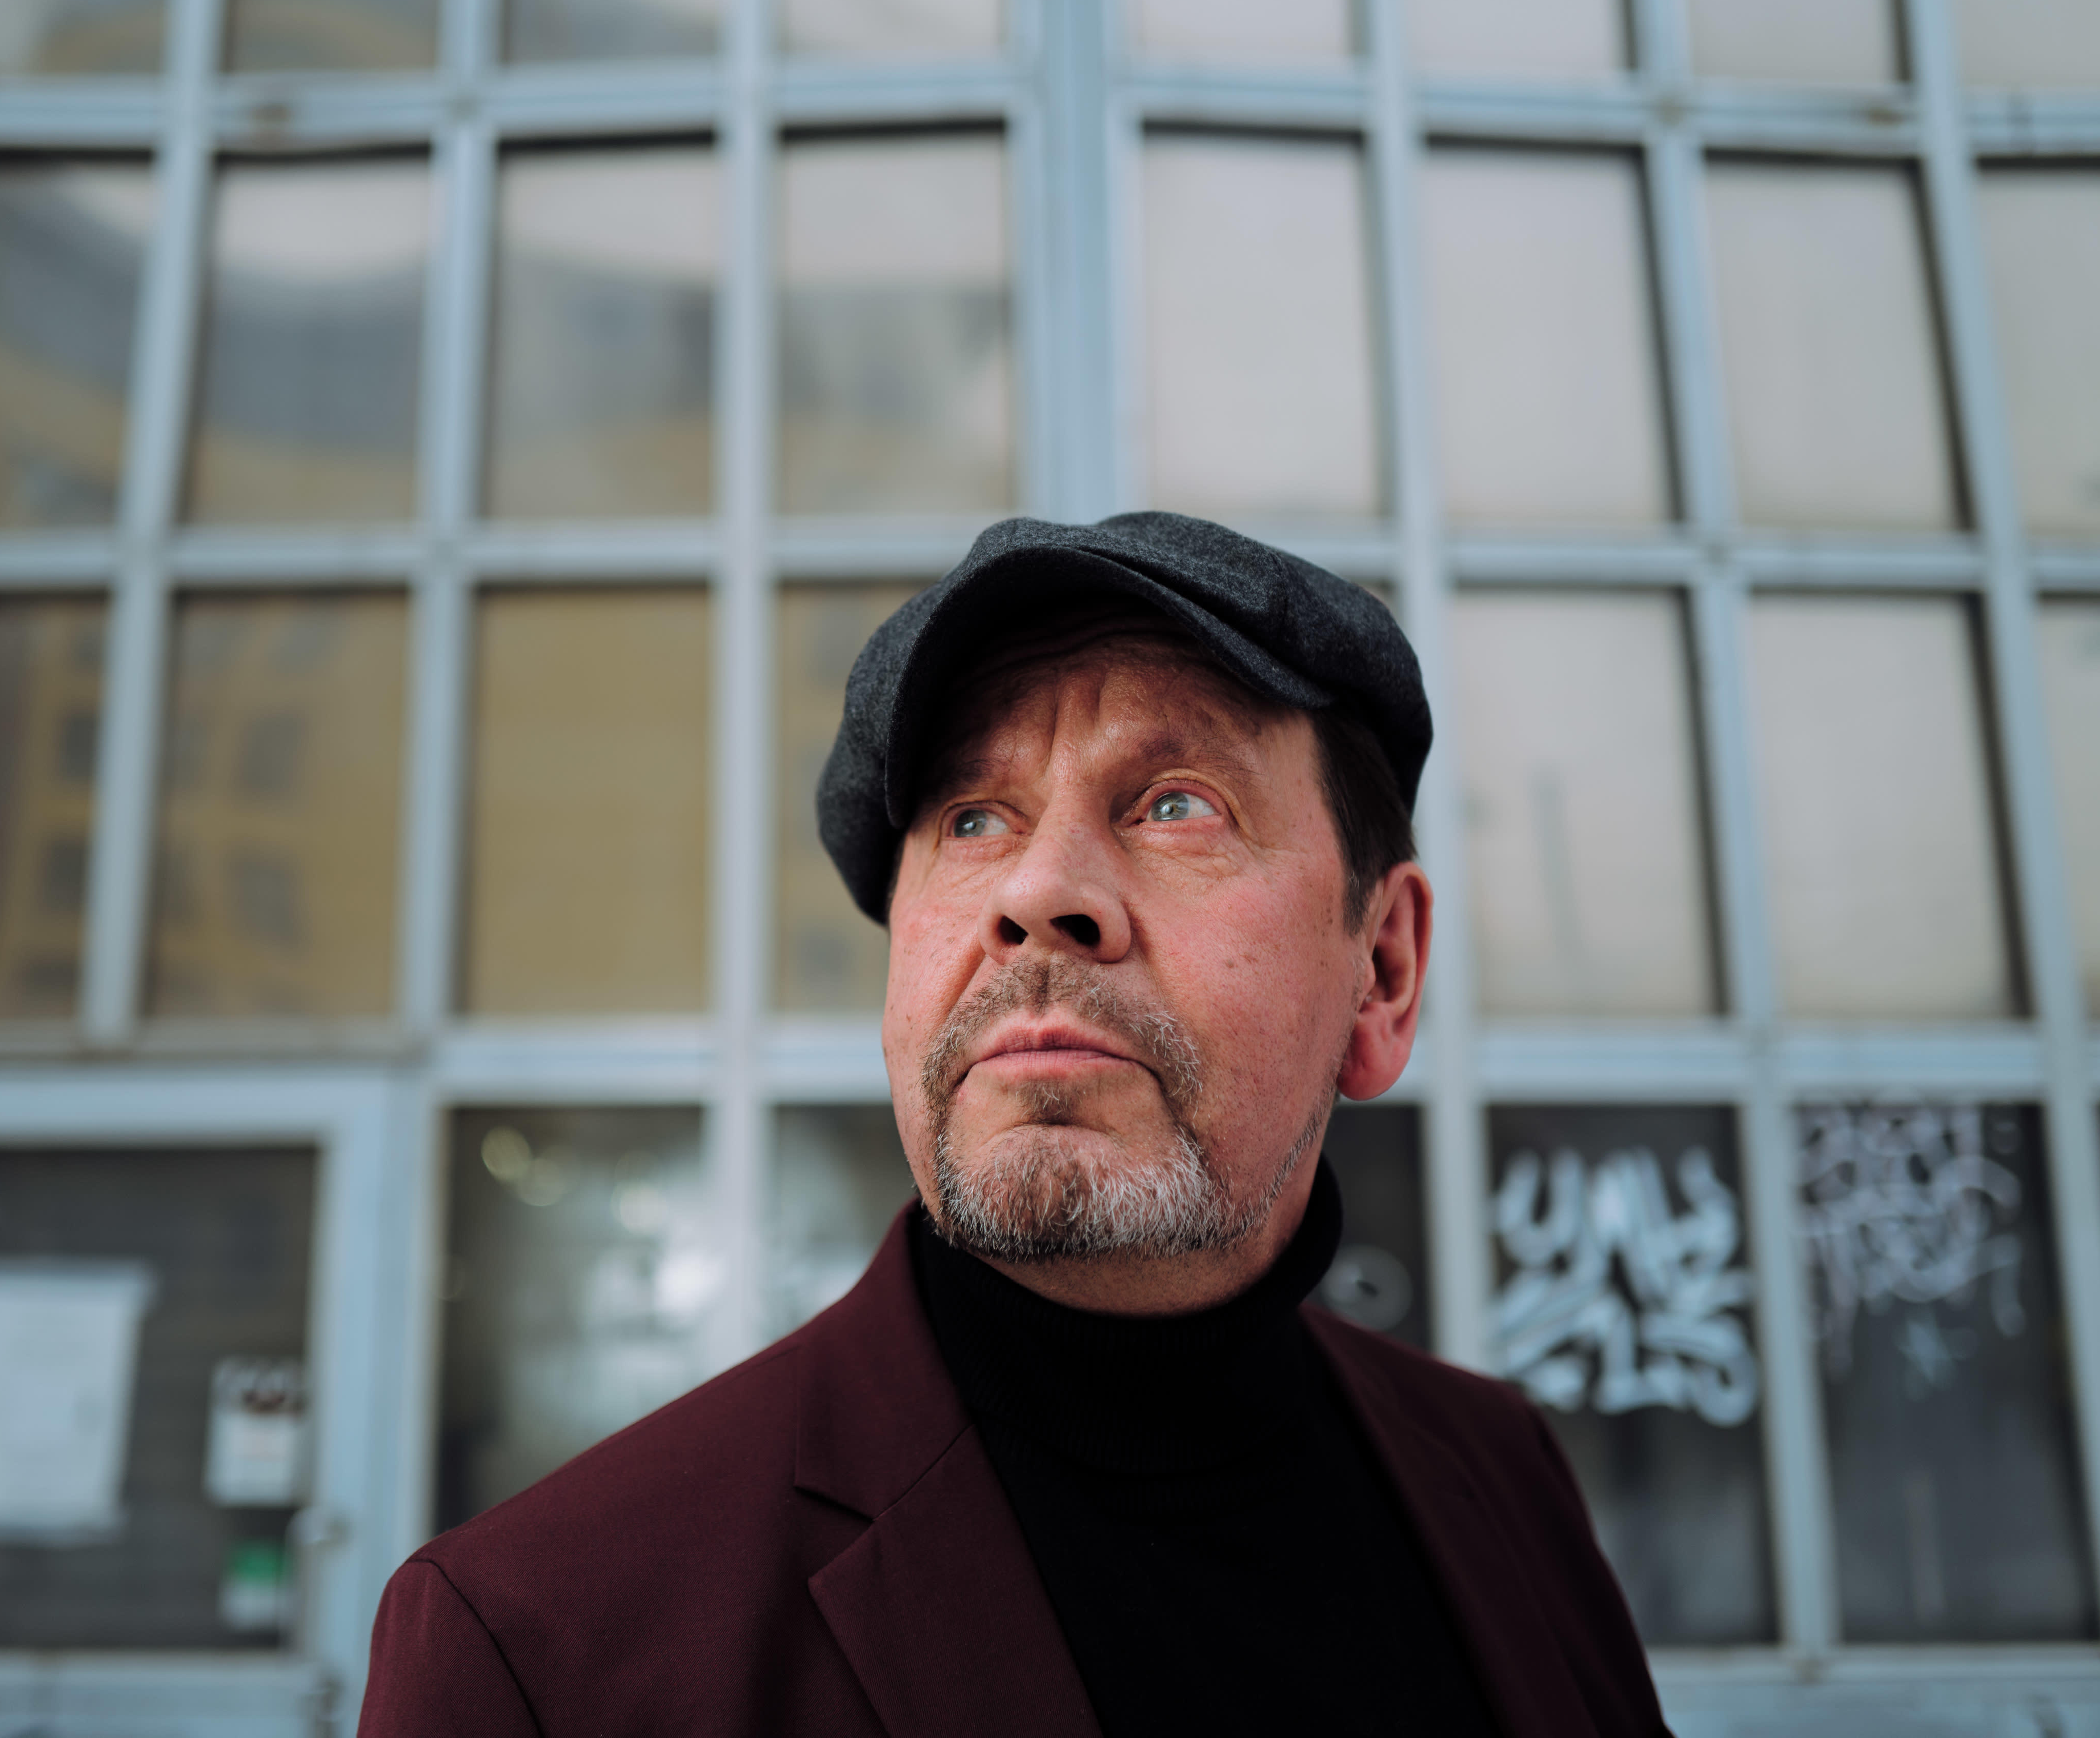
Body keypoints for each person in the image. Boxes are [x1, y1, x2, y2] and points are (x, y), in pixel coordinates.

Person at [359, 513, 1668, 1737]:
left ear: (1381, 972)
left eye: (1176, 803)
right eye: (972, 819)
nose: (1039, 893)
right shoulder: (538, 1647)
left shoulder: (1503, 1480)